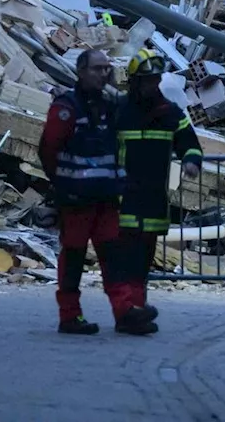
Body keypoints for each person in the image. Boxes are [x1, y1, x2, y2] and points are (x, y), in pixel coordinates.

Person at [113, 48, 202, 335]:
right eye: (147, 80)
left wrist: (190, 160)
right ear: (134, 82)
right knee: (124, 256)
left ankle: (137, 308)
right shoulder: (119, 110)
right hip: (122, 197)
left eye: (155, 80)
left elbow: (189, 142)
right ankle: (126, 311)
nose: (152, 86)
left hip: (152, 198)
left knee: (143, 258)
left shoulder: (170, 113)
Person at [38, 49, 124, 335]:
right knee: (73, 257)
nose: (103, 74)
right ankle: (70, 316)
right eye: (97, 69)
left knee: (113, 257)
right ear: (80, 71)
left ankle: (125, 312)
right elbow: (48, 149)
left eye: (106, 69)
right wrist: (63, 184)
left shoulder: (111, 106)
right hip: (76, 200)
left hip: (106, 199)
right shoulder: (67, 107)